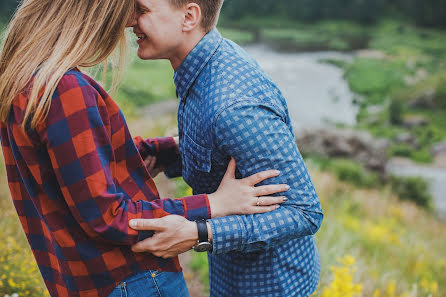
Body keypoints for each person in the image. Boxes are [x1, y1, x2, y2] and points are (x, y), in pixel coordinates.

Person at [0, 1, 289, 296]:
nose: (128, 24)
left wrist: (173, 148)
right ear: (93, 15)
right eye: (126, 11)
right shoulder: (66, 90)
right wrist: (215, 204)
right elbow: (109, 215)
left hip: (83, 280)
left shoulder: (27, 81)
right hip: (132, 281)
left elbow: (81, 165)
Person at [126, 0, 324, 296]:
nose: (131, 20)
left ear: (189, 17)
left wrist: (200, 233)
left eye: (142, 9)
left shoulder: (233, 106)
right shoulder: (202, 66)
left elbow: (305, 211)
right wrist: (165, 155)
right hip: (231, 274)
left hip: (269, 286)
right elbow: (219, 151)